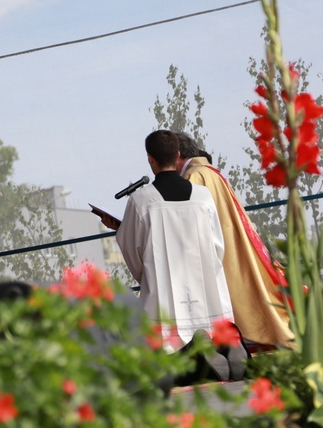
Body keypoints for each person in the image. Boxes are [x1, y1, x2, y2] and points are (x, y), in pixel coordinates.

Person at [112, 130, 235, 353]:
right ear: (177, 153)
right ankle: (219, 350)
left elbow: (131, 248)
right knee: (214, 335)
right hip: (205, 286)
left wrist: (148, 273)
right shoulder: (203, 196)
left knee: (168, 352)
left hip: (164, 288)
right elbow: (218, 246)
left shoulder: (141, 200)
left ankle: (189, 357)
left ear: (150, 159)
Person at [175, 132, 293, 347]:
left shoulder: (193, 177)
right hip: (227, 242)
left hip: (218, 251)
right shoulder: (209, 172)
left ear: (177, 154)